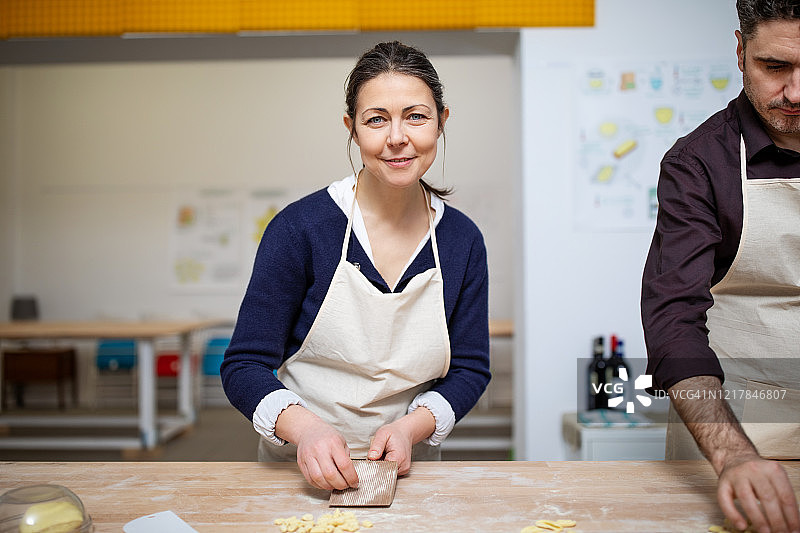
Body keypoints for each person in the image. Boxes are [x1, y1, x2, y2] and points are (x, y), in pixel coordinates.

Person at [221, 41, 490, 492]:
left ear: (442, 121)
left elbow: (470, 369)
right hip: (299, 471)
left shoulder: (462, 241)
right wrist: (306, 430)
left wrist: (411, 429)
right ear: (352, 128)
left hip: (411, 469)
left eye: (416, 116)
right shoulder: (300, 229)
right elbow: (244, 365)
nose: (397, 137)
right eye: (376, 119)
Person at [641, 1, 800, 532]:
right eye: (774, 67)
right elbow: (673, 317)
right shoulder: (699, 163)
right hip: (732, 431)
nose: (795, 93)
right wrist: (733, 456)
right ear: (740, 51)